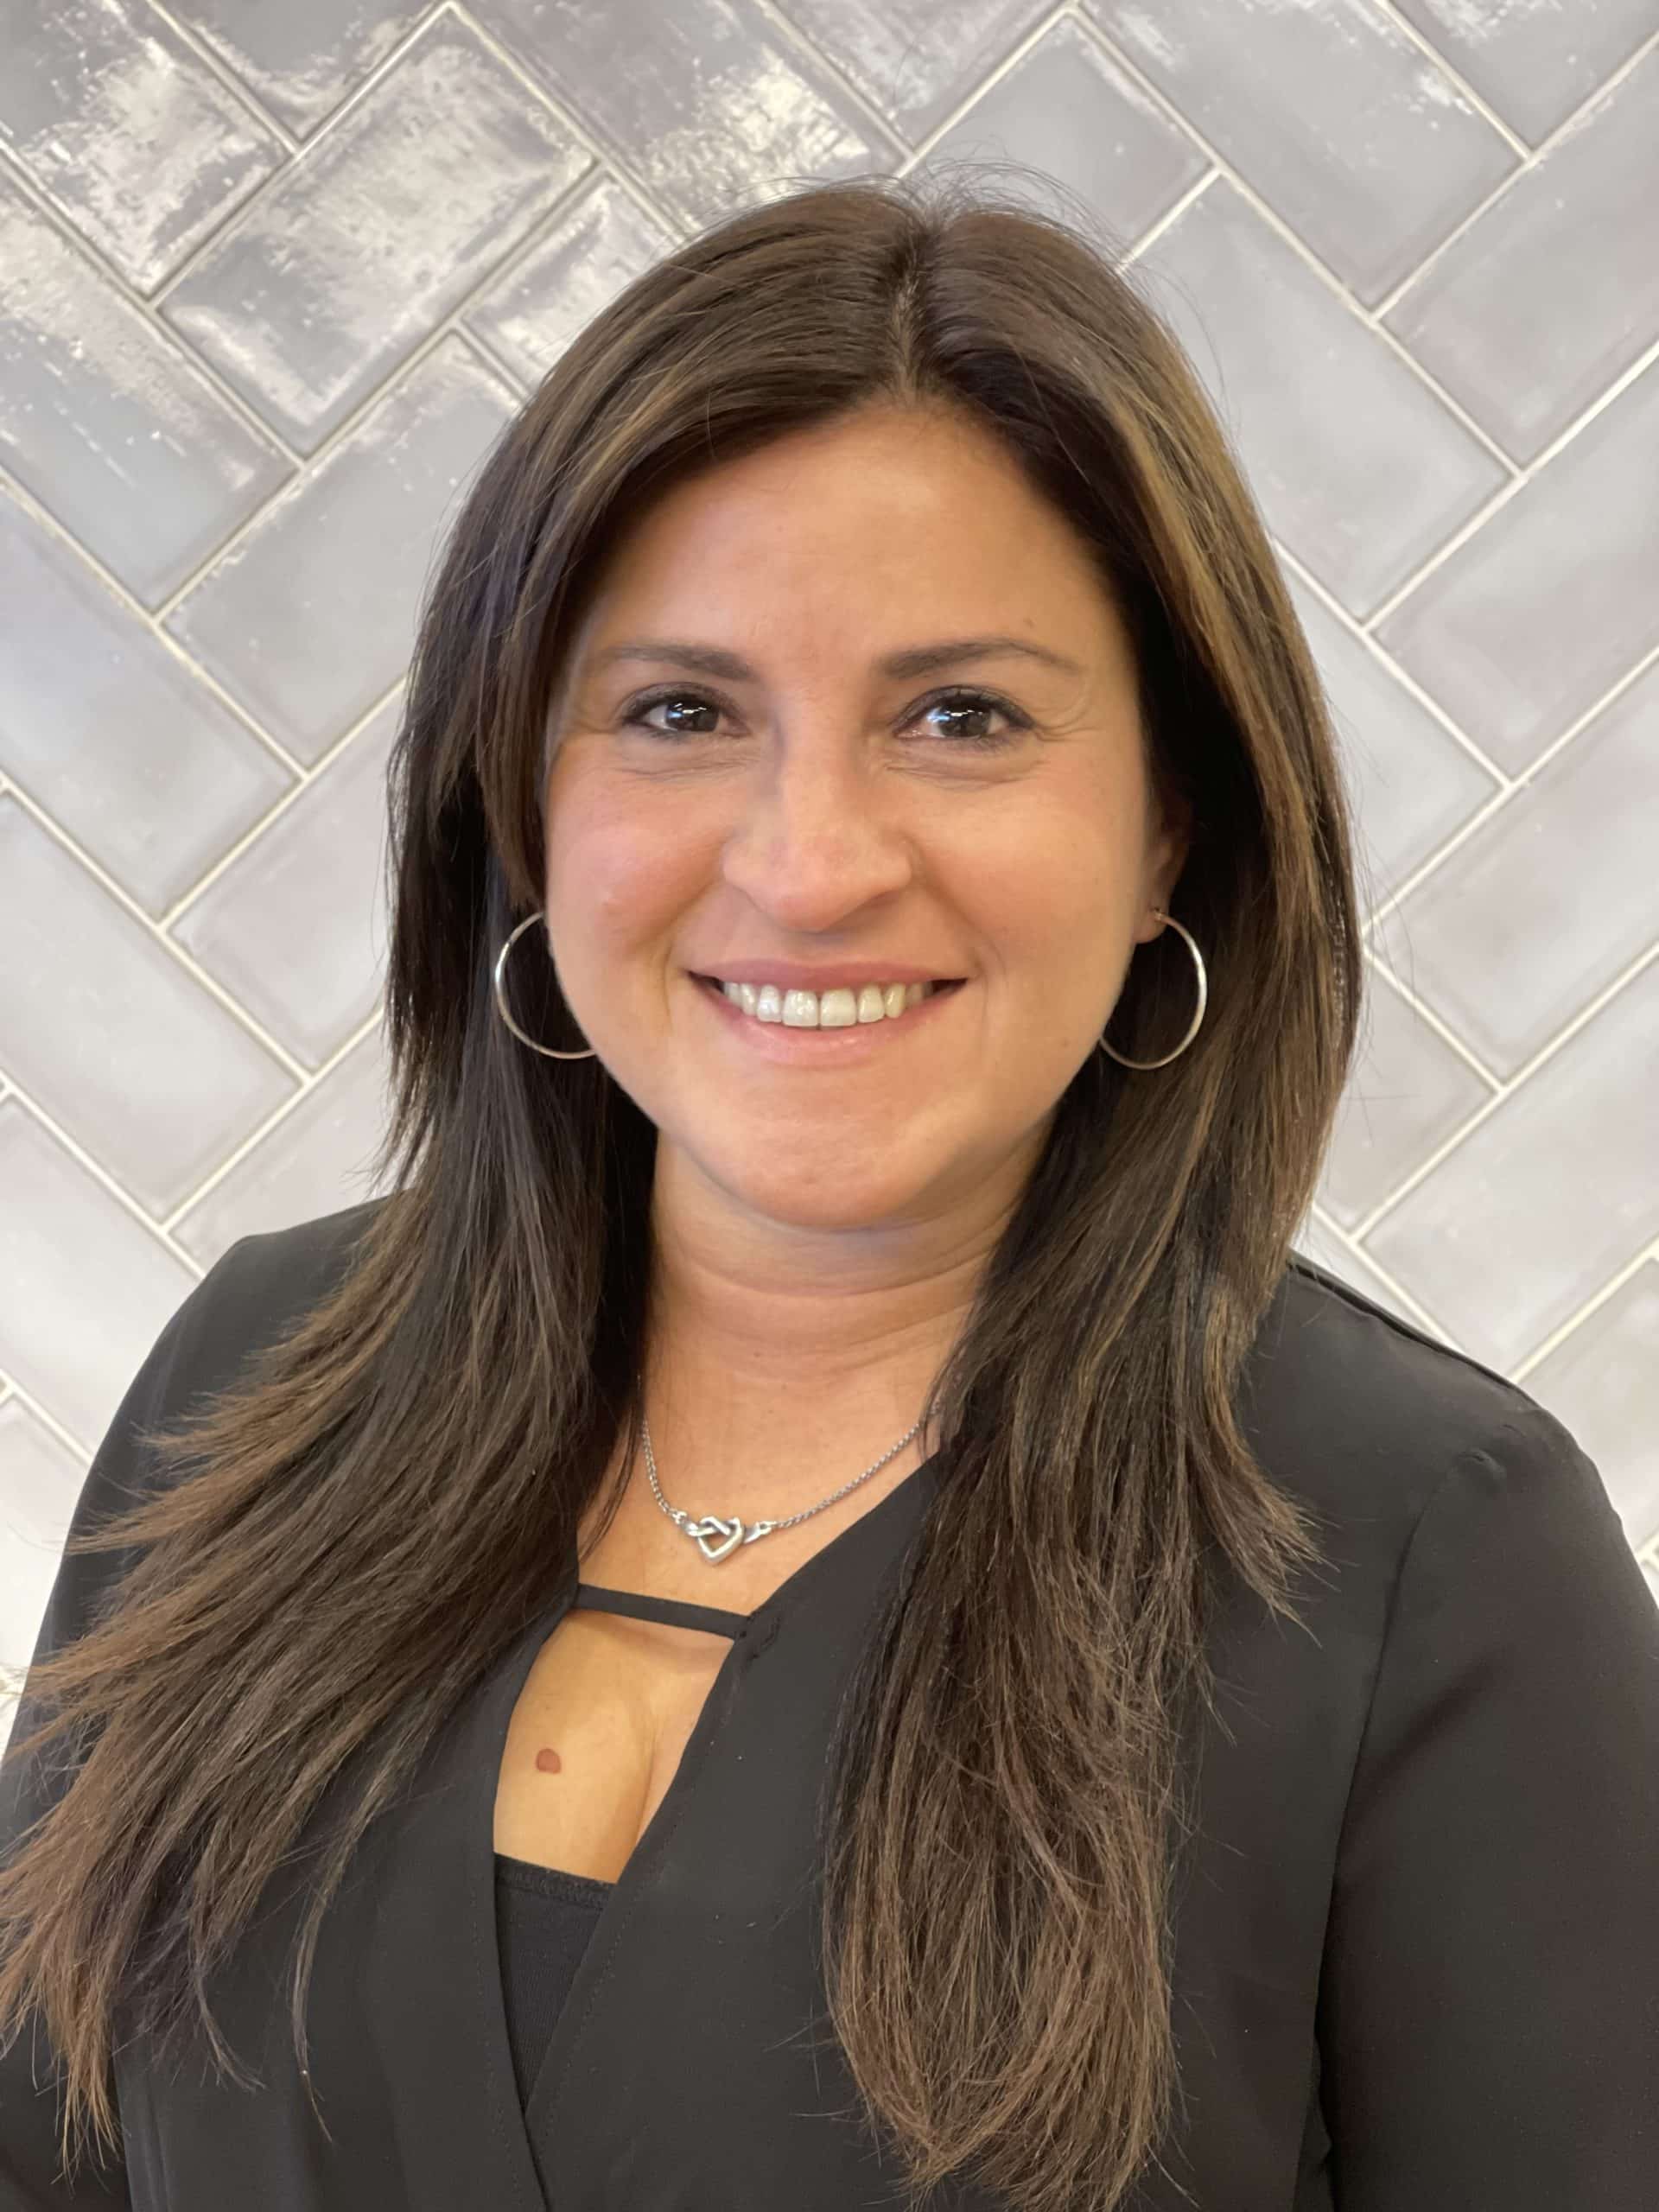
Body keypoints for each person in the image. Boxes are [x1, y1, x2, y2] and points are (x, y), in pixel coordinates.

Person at [2, 172, 1655, 2212]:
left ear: (1170, 829)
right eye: (682, 711)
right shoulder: (261, 1374)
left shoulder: (1430, 1556)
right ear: (525, 798)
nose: (806, 862)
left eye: (960, 716)